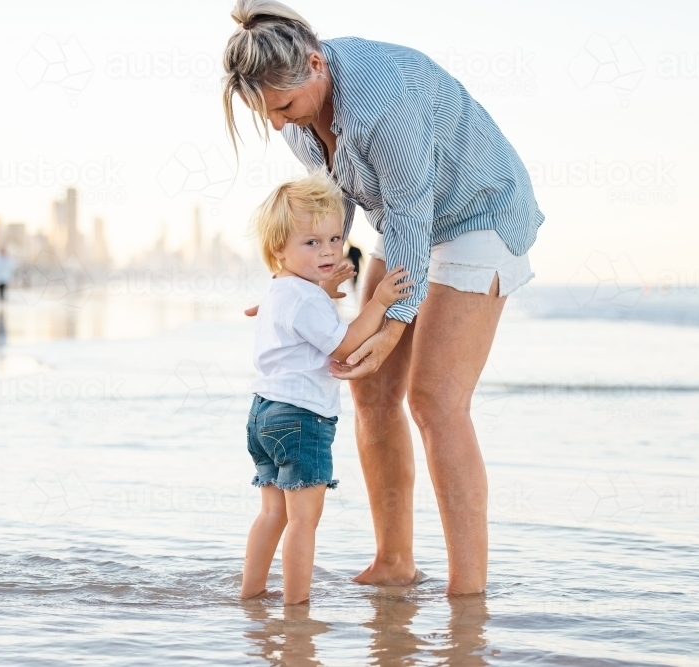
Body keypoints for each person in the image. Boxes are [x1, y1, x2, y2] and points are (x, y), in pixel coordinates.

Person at [223, 1, 544, 594]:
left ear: (316, 65)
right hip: (401, 220)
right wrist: (294, 289)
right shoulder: (298, 120)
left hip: (480, 213)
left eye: (284, 107)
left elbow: (411, 213)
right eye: (266, 113)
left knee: (435, 400)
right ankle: (395, 562)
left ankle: (466, 591)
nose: (278, 124)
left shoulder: (382, 100)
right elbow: (332, 209)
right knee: (368, 386)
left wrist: (394, 322)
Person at [241, 172, 412, 605]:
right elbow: (344, 342)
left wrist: (326, 290)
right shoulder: (306, 298)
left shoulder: (281, 289)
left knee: (272, 512)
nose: (330, 250)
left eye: (335, 238)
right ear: (277, 248)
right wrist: (379, 303)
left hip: (263, 414)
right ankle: (296, 608)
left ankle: (252, 592)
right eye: (311, 243)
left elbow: (304, 323)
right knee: (304, 520)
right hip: (302, 419)